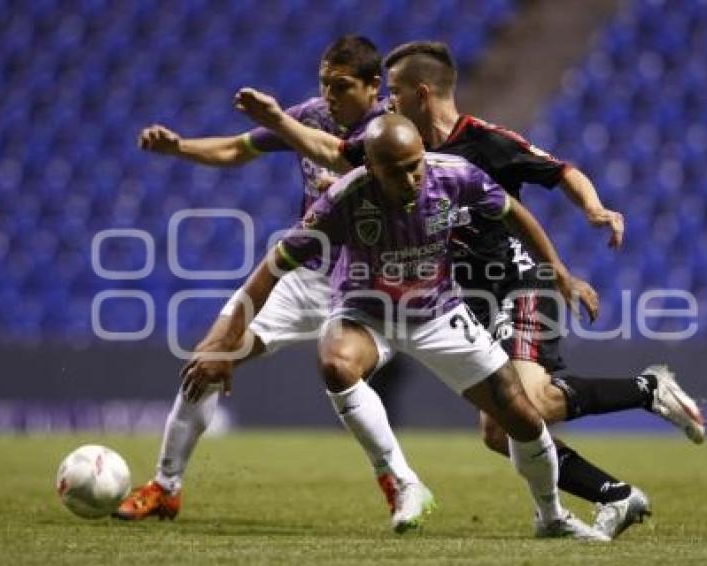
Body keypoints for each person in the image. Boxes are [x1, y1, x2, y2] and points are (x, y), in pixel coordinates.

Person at [233, 40, 706, 539]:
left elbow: (560, 170)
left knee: (534, 401)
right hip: (463, 299)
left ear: (421, 93)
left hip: (515, 283)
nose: (387, 103)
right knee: (499, 431)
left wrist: (592, 209)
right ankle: (615, 495)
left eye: (394, 92)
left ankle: (647, 390)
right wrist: (279, 121)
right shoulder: (395, 146)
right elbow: (332, 150)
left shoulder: (483, 141)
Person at [181, 113, 610, 541]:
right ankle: (403, 482)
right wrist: (222, 344)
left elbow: (513, 210)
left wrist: (558, 271)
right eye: (396, 171)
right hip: (367, 313)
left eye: (415, 166)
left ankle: (551, 516)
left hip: (437, 312)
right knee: (336, 363)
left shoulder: (456, 176)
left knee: (521, 416)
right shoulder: (343, 201)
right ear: (371, 166)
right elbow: (268, 271)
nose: (409, 179)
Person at [117, 36, 434, 533]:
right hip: (305, 274)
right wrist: (178, 147)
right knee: (207, 359)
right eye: (325, 84)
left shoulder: (391, 132)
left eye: (342, 86)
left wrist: (278, 121)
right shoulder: (309, 114)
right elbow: (236, 148)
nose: (329, 95)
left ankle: (399, 479)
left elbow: (335, 155)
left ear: (374, 87)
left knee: (342, 373)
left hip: (367, 281)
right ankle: (165, 486)